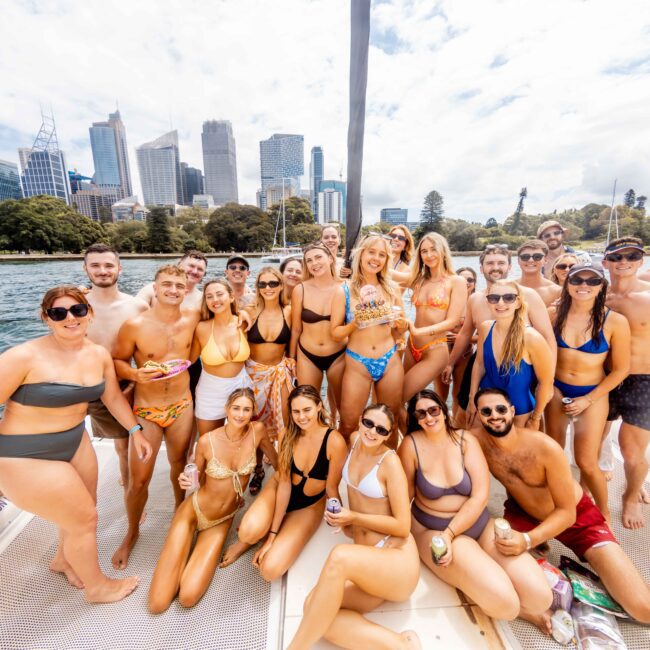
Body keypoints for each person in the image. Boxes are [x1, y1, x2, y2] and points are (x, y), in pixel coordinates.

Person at [0, 286, 152, 602]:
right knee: (85, 518)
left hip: (75, 441)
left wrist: (136, 430)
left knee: (80, 510)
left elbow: (111, 397)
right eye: (59, 313)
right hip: (25, 453)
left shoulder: (97, 354)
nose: (70, 318)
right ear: (46, 318)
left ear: (89, 313)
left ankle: (63, 559)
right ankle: (97, 587)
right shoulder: (23, 356)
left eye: (78, 310)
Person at [472, 388, 650, 627]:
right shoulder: (476, 441)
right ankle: (529, 609)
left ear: (512, 411)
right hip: (523, 513)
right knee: (490, 555)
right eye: (486, 411)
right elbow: (441, 439)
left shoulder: (545, 448)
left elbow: (567, 513)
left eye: (501, 409)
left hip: (577, 519)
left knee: (642, 608)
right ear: (479, 415)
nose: (494, 415)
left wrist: (528, 539)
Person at [398, 390, 551, 623]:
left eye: (433, 410)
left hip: (478, 525)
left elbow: (480, 496)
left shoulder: (465, 440)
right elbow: (404, 494)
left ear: (443, 409)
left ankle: (499, 589)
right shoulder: (411, 446)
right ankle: (517, 610)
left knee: (540, 597)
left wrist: (452, 532)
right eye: (420, 414)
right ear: (414, 419)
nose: (428, 418)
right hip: (435, 532)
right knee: (507, 605)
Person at [287, 404, 421, 650]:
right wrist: (339, 514)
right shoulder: (354, 439)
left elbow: (403, 526)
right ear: (360, 420)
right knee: (313, 608)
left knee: (339, 557)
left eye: (381, 430)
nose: (372, 432)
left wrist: (354, 518)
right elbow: (351, 488)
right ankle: (400, 645)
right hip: (367, 566)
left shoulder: (390, 464)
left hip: (395, 558)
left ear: (390, 435)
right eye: (369, 423)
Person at [148, 388, 277, 613]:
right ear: (226, 410)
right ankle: (182, 541)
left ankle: (187, 555)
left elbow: (279, 467)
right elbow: (195, 479)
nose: (240, 414)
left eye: (246, 409)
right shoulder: (207, 441)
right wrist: (185, 481)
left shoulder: (258, 432)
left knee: (188, 597)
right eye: (235, 408)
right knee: (158, 604)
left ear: (253, 411)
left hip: (222, 519)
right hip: (195, 511)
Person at [112, 265, 201, 569]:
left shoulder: (193, 319)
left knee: (179, 465)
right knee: (139, 480)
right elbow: (118, 360)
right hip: (146, 410)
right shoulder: (135, 325)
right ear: (155, 286)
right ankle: (132, 531)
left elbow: (220, 321)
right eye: (167, 284)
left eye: (179, 285)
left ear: (186, 289)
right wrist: (135, 373)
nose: (173, 290)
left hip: (181, 405)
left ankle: (180, 512)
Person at [220, 385, 347, 575]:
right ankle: (252, 539)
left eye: (307, 410)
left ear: (319, 406)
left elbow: (332, 488)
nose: (301, 417)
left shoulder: (334, 441)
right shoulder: (287, 435)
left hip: (309, 505)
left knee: (269, 571)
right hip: (281, 488)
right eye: (296, 411)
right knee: (247, 531)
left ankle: (264, 533)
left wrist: (339, 515)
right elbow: (285, 485)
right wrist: (272, 536)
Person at [547, 262, 630, 523]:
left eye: (592, 281)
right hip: (556, 389)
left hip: (593, 393)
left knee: (586, 461)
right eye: (577, 280)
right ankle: (554, 503)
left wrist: (588, 399)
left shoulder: (615, 321)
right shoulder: (553, 314)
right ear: (567, 284)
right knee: (554, 452)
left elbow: (621, 370)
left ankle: (602, 513)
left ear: (601, 286)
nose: (584, 286)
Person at [443, 245, 556, 424]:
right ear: (482, 268)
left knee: (523, 423)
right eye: (490, 263)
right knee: (465, 413)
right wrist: (450, 363)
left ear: (510, 267)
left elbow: (548, 338)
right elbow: (465, 334)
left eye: (501, 263)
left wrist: (548, 379)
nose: (495, 267)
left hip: (522, 365)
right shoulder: (476, 299)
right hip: (486, 361)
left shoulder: (528, 296)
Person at [82, 243, 148, 487]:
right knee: (75, 445)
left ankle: (130, 492)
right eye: (95, 265)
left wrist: (133, 380)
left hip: (120, 386)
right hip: (78, 386)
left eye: (108, 265)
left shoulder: (137, 306)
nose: (102, 271)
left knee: (124, 445)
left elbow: (145, 350)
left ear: (119, 268)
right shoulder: (76, 306)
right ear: (86, 268)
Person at [331, 234, 408, 443]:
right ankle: (346, 472)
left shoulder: (392, 289)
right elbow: (335, 332)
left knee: (387, 426)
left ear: (387, 260)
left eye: (382, 255)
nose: (376, 258)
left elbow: (402, 329)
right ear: (361, 254)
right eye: (371, 252)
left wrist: (400, 323)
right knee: (347, 424)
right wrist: (355, 323)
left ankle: (387, 472)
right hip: (358, 362)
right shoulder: (344, 290)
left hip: (389, 360)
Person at [603, 237, 650, 528]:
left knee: (633, 453)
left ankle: (631, 496)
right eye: (617, 257)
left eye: (631, 256)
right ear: (606, 262)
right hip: (604, 378)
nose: (624, 263)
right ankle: (587, 491)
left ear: (641, 261)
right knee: (591, 442)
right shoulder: (596, 295)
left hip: (641, 380)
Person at [468, 280, 554, 429]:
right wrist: (472, 397)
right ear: (488, 302)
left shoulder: (531, 338)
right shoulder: (485, 328)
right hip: (486, 408)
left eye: (508, 297)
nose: (500, 303)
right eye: (494, 298)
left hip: (520, 413)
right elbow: (479, 363)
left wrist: (536, 418)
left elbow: (546, 384)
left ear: (518, 302)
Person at [244, 267, 295, 494]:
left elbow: (295, 340)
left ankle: (284, 468)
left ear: (281, 285)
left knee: (285, 423)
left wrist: (292, 363)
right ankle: (258, 469)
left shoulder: (290, 311)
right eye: (262, 284)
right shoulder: (249, 311)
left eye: (273, 283)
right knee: (256, 424)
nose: (268, 288)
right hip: (253, 374)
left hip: (280, 372)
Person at [403, 233, 466, 409]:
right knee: (401, 400)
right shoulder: (418, 280)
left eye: (433, 250)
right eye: (424, 251)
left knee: (398, 396)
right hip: (411, 346)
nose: (429, 255)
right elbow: (387, 274)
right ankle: (410, 435)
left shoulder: (456, 281)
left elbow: (452, 321)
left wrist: (417, 331)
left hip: (435, 349)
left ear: (443, 251)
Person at [191, 279, 253, 435]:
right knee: (209, 442)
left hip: (242, 388)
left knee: (242, 440)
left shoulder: (243, 324)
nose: (215, 300)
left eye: (219, 294)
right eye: (209, 296)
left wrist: (243, 312)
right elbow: (188, 362)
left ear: (231, 297)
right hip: (210, 392)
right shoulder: (201, 328)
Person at [290, 244, 345, 409]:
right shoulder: (300, 289)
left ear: (330, 258)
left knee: (343, 406)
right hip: (307, 355)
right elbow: (296, 329)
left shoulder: (346, 287)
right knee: (308, 405)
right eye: (309, 260)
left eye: (318, 257)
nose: (314, 263)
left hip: (339, 354)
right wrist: (292, 359)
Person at [434, 267, 476, 417]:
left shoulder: (477, 303)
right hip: (442, 351)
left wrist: (465, 338)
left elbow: (484, 335)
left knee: (458, 394)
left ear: (475, 283)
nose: (466, 283)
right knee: (440, 395)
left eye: (470, 280)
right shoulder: (445, 302)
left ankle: (457, 427)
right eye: (462, 279)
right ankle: (440, 424)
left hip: (464, 354)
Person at [136, 250, 207, 310]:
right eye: (191, 266)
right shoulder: (151, 290)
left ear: (204, 274)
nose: (195, 271)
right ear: (179, 265)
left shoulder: (203, 300)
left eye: (200, 269)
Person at [515, 239, 562, 307]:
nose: (530, 260)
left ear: (545, 260)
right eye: (525, 257)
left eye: (537, 257)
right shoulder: (508, 287)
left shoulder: (557, 291)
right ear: (518, 260)